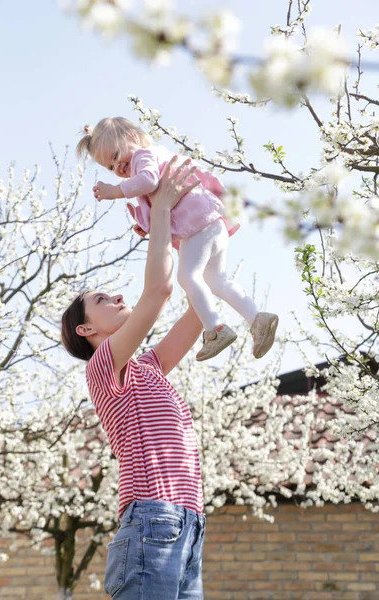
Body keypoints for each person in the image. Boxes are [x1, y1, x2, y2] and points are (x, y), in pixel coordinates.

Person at [61, 157, 210, 599]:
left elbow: (198, 313)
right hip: (153, 520)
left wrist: (199, 240)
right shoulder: (104, 366)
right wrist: (160, 208)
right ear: (86, 330)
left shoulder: (145, 366)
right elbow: (158, 292)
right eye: (103, 299)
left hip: (189, 523)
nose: (117, 295)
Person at [76, 117, 279, 362]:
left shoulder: (143, 156)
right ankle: (257, 318)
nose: (118, 167)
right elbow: (156, 196)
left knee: (187, 276)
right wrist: (145, 225)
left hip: (198, 225)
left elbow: (149, 181)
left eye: (117, 155)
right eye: (111, 166)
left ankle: (215, 329)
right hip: (210, 222)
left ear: (131, 137)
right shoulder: (145, 162)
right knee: (216, 280)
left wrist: (116, 191)